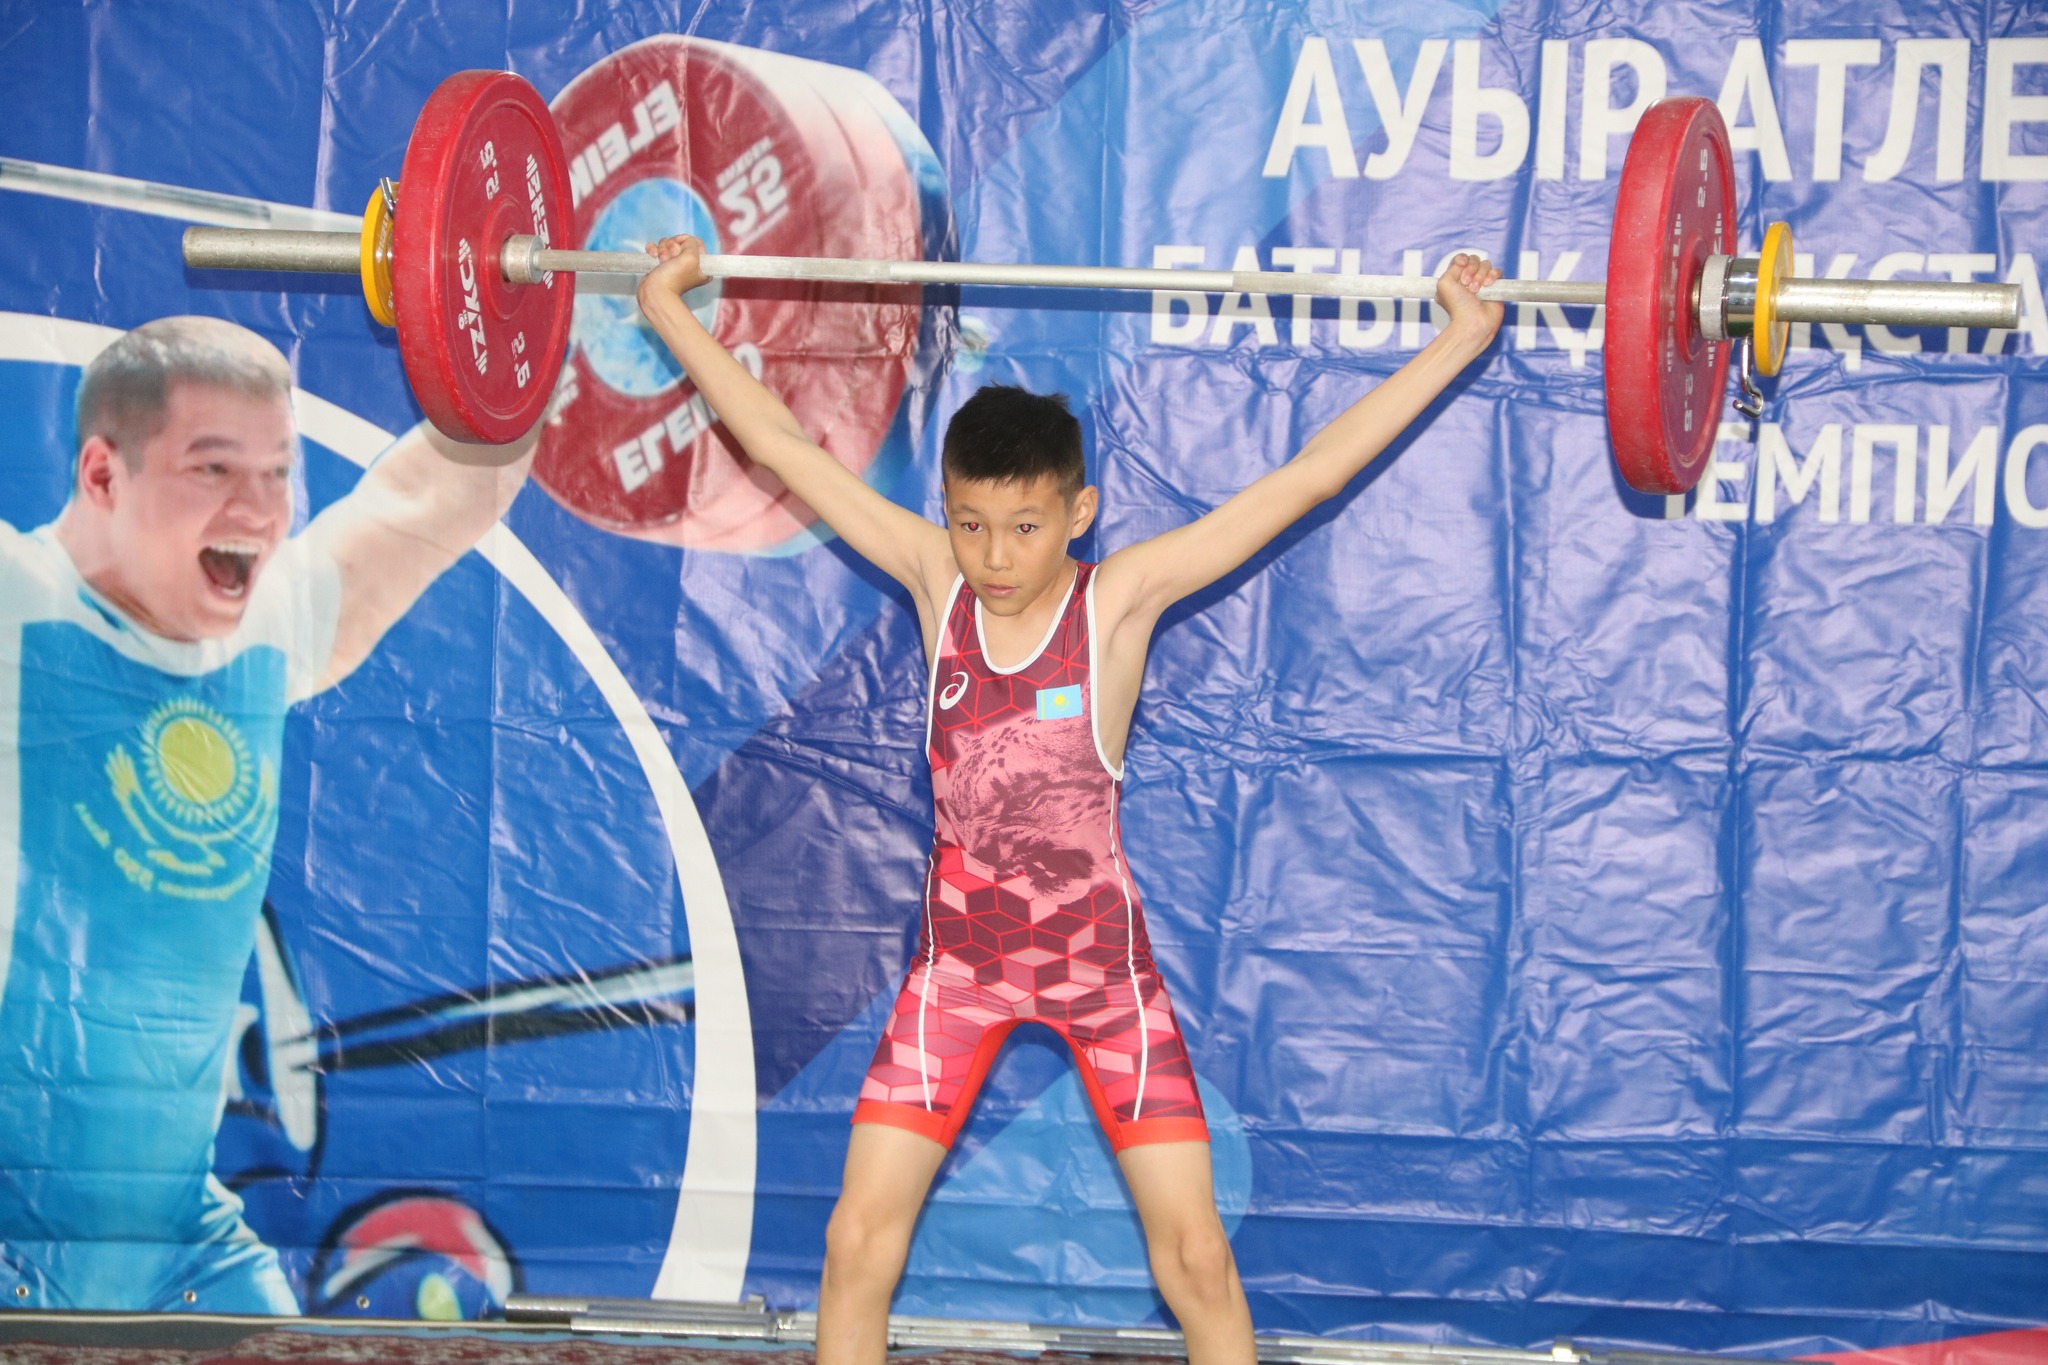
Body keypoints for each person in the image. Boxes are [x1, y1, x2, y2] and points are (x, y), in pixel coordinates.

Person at [637, 238, 1503, 1365]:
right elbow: (781, 445)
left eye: (1026, 526)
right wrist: (666, 305)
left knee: (1195, 1257)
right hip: (958, 975)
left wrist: (1460, 338)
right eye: (970, 523)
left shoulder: (1120, 603)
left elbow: (1307, 479)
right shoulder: (933, 578)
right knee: (855, 1243)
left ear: (1079, 510)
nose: (995, 556)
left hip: (1103, 980)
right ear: (946, 512)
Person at [0, 315, 535, 1313]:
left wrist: (532, 312)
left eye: (277, 473)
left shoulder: (266, 625)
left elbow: (439, 493)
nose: (256, 509)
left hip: (176, 1246)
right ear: (102, 474)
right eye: (212, 469)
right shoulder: (16, 598)